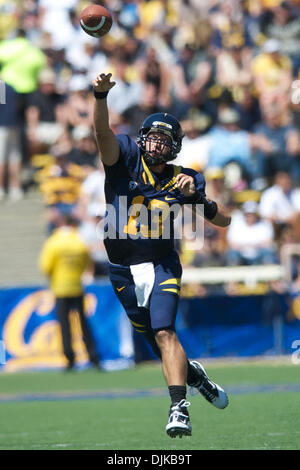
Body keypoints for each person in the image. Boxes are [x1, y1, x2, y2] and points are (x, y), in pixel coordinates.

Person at [92, 72, 231, 438]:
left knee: (166, 331)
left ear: (175, 148)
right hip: (122, 269)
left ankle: (178, 408)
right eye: (152, 137)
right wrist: (100, 98)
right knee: (157, 340)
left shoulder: (186, 177)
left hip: (161, 264)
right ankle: (196, 377)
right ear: (142, 139)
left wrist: (199, 199)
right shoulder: (123, 156)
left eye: (164, 140)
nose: (156, 145)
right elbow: (102, 136)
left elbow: (224, 221)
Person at [39, 213, 100, 371]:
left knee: (65, 326)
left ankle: (70, 360)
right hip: (77, 286)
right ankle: (93, 357)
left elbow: (45, 267)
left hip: (60, 288)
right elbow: (87, 262)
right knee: (84, 324)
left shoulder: (53, 243)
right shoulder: (78, 241)